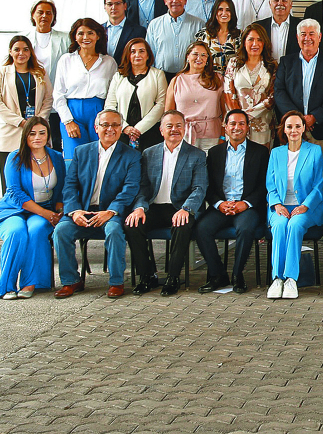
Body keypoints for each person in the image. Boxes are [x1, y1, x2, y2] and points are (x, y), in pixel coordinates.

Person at [52, 109, 141, 299]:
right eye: (105, 125)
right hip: (83, 211)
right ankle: (71, 281)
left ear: (121, 128)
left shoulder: (131, 155)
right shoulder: (81, 151)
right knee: (61, 231)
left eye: (116, 125)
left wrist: (111, 211)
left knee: (115, 232)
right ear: (96, 128)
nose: (111, 129)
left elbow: (130, 189)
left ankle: (116, 282)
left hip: (111, 213)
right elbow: (69, 186)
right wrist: (74, 212)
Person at [124, 111, 208, 296]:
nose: (174, 130)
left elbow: (199, 188)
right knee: (132, 225)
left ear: (185, 128)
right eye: (169, 126)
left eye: (179, 125)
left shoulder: (197, 155)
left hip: (180, 207)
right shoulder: (149, 153)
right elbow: (143, 186)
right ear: (161, 130)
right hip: (154, 207)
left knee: (182, 225)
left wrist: (186, 209)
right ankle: (147, 276)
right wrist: (139, 207)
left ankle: (173, 277)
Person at [194, 109, 268, 295]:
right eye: (233, 124)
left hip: (247, 207)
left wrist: (247, 203)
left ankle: (237, 275)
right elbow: (208, 186)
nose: (237, 127)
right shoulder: (214, 153)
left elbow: (264, 185)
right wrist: (219, 203)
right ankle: (218, 275)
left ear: (247, 127)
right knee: (201, 228)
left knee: (245, 229)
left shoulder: (260, 152)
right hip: (222, 205)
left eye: (241, 123)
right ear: (225, 127)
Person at [0, 118, 64, 299]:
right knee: (16, 232)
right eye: (32, 133)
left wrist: (58, 208)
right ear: (25, 136)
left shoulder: (57, 158)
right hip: (14, 209)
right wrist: (47, 214)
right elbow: (14, 193)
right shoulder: (15, 157)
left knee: (36, 231)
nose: (37, 137)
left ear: (48, 135)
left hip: (46, 209)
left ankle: (30, 283)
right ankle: (6, 286)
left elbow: (62, 189)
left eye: (42, 133)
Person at [265, 111, 323, 299]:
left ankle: (291, 279)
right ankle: (277, 279)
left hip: (307, 207)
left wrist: (305, 206)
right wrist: (276, 205)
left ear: (304, 128)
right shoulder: (276, 153)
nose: (294, 130)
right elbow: (270, 184)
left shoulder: (314, 151)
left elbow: (319, 184)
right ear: (284, 129)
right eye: (289, 126)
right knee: (281, 225)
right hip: (280, 207)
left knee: (295, 225)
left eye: (298, 126)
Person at [52, 18, 117, 162]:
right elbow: (58, 94)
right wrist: (68, 121)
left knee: (100, 158)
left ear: (98, 35)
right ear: (75, 36)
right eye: (80, 33)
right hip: (72, 113)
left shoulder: (108, 62)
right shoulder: (66, 60)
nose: (85, 37)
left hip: (99, 112)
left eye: (90, 33)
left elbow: (113, 94)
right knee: (74, 158)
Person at [273, 19, 323, 149]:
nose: (307, 38)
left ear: (319, 37)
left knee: (321, 169)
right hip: (291, 131)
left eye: (311, 34)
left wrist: (315, 117)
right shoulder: (286, 62)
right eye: (303, 34)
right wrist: (297, 118)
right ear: (297, 38)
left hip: (321, 131)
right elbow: (279, 92)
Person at [0, 37, 53, 183]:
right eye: (17, 49)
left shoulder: (40, 72)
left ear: (31, 52)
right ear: (10, 52)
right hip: (11, 132)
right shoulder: (3, 72)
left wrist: (37, 122)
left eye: (25, 49)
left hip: (36, 133)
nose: (21, 53)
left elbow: (48, 99)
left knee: (33, 180)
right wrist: (21, 122)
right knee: (10, 182)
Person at [105, 38, 167, 152]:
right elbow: (110, 105)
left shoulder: (158, 75)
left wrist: (138, 129)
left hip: (150, 132)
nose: (137, 55)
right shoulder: (118, 76)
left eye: (142, 51)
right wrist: (125, 127)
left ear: (148, 55)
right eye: (133, 52)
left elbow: (161, 104)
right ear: (128, 55)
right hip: (122, 132)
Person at [223, 23, 276, 146]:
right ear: (244, 42)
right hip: (236, 125)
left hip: (263, 123)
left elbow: (273, 95)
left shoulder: (272, 65)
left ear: (264, 43)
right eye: (251, 39)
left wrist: (249, 114)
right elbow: (228, 92)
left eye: (259, 40)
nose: (255, 44)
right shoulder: (234, 63)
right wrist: (240, 117)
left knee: (259, 162)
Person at [165, 42, 223, 153]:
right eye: (195, 54)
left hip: (212, 136)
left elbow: (225, 112)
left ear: (207, 60)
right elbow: (168, 113)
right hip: (183, 134)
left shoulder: (218, 79)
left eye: (203, 55)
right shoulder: (176, 80)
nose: (199, 58)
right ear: (188, 56)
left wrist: (223, 136)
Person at [146, 0, 206, 78]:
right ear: (165, 0)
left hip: (191, 76)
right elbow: (149, 55)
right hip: (161, 77)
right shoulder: (154, 25)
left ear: (185, 0)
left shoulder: (199, 24)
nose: (175, 1)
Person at [20, 0, 70, 89]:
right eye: (40, 12)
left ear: (53, 16)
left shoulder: (66, 39)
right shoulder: (22, 38)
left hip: (56, 88)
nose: (44, 16)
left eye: (48, 13)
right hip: (28, 88)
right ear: (33, 15)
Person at [195, 0, 240, 73]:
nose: (224, 13)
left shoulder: (240, 35)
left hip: (233, 80)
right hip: (209, 79)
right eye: (220, 9)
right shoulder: (204, 34)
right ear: (215, 12)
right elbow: (197, 59)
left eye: (228, 10)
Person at [102, 0, 145, 65]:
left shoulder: (138, 31)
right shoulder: (98, 30)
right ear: (105, 7)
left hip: (126, 74)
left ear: (125, 6)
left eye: (117, 3)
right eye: (109, 4)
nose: (113, 7)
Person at [266, 0, 302, 64]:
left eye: (284, 0)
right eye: (276, 0)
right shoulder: (260, 26)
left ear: (291, 4)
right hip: (265, 73)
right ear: (270, 4)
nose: (280, 3)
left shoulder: (301, 26)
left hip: (292, 73)